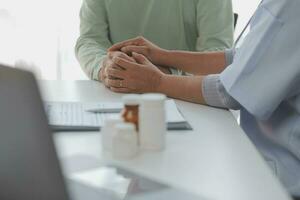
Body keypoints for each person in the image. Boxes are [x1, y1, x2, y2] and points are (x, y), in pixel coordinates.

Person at [107, 0, 300, 198]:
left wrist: (157, 82)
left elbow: (231, 91)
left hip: (282, 182)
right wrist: (162, 56)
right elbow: (243, 59)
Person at [75, 0, 234, 86]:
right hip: (116, 92)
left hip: (189, 97)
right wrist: (105, 67)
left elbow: (219, 53)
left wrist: (167, 75)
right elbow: (90, 39)